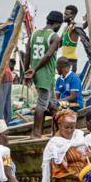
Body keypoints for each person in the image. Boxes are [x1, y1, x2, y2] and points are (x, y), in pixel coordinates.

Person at [25, 10, 63, 138]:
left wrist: (27, 71)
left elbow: (27, 54)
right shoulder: (54, 37)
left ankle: (58, 131)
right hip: (44, 74)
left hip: (40, 75)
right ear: (57, 24)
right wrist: (34, 69)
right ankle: (36, 134)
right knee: (41, 105)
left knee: (52, 105)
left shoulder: (34, 34)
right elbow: (48, 55)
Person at [60, 5, 80, 73]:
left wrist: (88, 19)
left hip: (71, 61)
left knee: (68, 82)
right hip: (63, 60)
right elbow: (59, 43)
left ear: (73, 16)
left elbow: (83, 26)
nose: (64, 16)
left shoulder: (75, 28)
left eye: (66, 14)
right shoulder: (65, 29)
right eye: (64, 14)